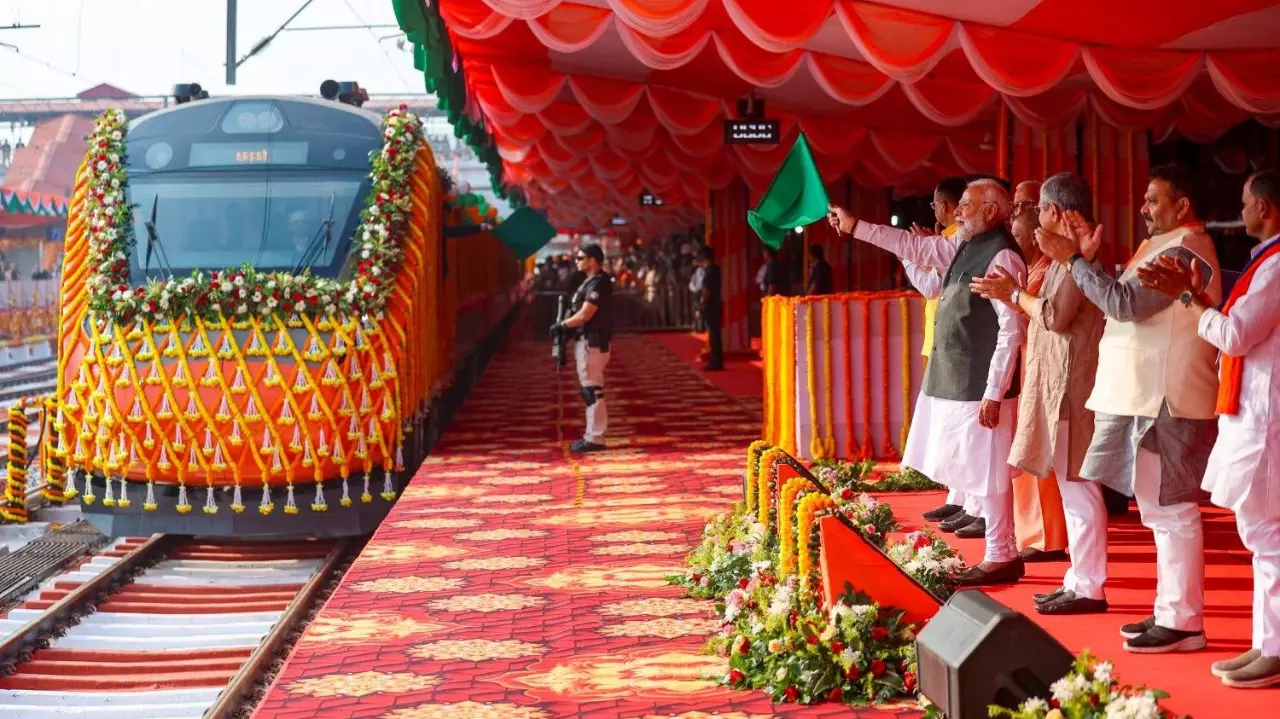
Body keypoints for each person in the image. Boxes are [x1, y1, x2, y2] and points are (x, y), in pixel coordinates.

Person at [1037, 164, 1221, 653]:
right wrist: (1084, 261)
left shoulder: (1186, 250)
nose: (1144, 208)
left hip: (1170, 396)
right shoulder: (1163, 245)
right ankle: (1171, 612)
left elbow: (1122, 305)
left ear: (1182, 206)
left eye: (1153, 199)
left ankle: (1184, 622)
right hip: (1147, 395)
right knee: (1159, 511)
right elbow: (1122, 301)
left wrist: (1076, 261)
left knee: (1174, 510)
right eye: (1143, 199)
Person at [829, 178, 1027, 585]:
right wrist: (855, 227)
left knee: (987, 471)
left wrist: (995, 390)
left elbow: (1011, 330)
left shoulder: (1003, 257)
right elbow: (912, 247)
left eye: (967, 206)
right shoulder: (963, 246)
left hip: (982, 384)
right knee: (970, 467)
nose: (958, 212)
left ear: (991, 211)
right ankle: (998, 549)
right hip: (955, 377)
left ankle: (1002, 553)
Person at [1137, 169, 1280, 686]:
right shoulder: (1266, 263)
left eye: (1244, 202)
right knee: (1260, 533)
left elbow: (1236, 335)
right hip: (1253, 411)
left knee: (1268, 536)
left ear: (1264, 206)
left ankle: (1275, 647)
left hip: (1267, 416)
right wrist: (1196, 300)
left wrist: (1189, 300)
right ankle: (1267, 642)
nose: (1240, 211)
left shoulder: (1276, 264)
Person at [972, 172, 1107, 614]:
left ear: (1055, 212)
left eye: (1042, 211)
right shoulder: (1064, 256)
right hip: (1057, 384)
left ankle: (1089, 586)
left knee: (1079, 489)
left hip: (1073, 388)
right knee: (1071, 489)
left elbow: (1056, 315)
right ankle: (1078, 579)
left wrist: (1012, 294)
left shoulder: (1078, 255)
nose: (1035, 222)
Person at [910, 177, 978, 527]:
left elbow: (929, 285)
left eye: (936, 205)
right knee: (947, 424)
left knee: (958, 425)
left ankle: (969, 501)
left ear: (947, 206)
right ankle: (957, 495)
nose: (935, 211)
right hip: (942, 338)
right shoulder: (950, 238)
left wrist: (910, 254)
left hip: (955, 341)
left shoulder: (956, 239)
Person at [553, 243, 614, 453]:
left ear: (592, 261)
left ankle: (595, 437)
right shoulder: (589, 282)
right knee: (590, 388)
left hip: (593, 342)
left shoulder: (598, 284)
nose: (577, 261)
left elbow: (586, 314)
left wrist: (562, 325)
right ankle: (593, 434)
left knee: (591, 389)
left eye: (580, 258)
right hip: (588, 341)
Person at [697, 246, 724, 371]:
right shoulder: (716, 269)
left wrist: (702, 303)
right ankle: (717, 360)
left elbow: (707, 289)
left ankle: (716, 361)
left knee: (714, 334)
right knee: (715, 333)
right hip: (716, 303)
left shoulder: (710, 271)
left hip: (711, 305)